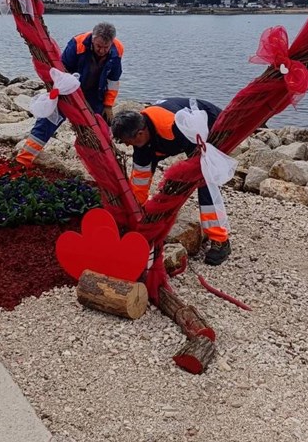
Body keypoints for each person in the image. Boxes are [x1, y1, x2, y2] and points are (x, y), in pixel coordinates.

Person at [111, 99, 232, 266]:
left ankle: (220, 240)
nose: (126, 145)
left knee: (205, 182)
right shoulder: (141, 139)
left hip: (211, 127)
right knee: (139, 178)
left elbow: (197, 160)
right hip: (170, 138)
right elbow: (139, 181)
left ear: (139, 134)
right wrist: (134, 218)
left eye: (127, 141)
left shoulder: (174, 127)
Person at [17, 22, 123, 167]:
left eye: (106, 47)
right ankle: (25, 158)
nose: (102, 50)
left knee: (99, 128)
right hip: (68, 89)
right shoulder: (77, 44)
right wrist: (62, 92)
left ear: (112, 42)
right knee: (49, 120)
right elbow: (61, 70)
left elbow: (113, 81)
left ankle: (101, 165)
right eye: (99, 46)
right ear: (93, 38)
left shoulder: (117, 50)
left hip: (95, 93)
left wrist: (108, 105)